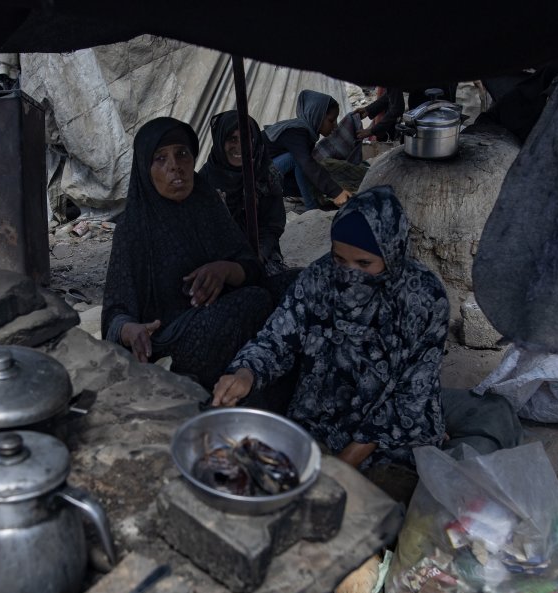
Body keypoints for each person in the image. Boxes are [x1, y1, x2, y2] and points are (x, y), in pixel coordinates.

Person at [213, 186, 521, 471]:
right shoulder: (318, 278)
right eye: (339, 259)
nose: (349, 275)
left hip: (390, 429)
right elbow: (278, 337)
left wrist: (344, 463)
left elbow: (411, 395)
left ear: (392, 255)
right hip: (321, 410)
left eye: (364, 264)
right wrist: (246, 371)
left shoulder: (423, 300)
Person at [103, 117, 275, 388]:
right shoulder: (133, 226)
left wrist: (224, 270)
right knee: (251, 304)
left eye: (182, 154)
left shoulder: (206, 203)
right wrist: (131, 331)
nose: (175, 166)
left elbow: (252, 268)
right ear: (145, 168)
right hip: (171, 339)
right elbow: (116, 312)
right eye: (160, 158)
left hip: (225, 310)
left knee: (291, 286)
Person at [199, 111, 288, 274]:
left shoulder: (265, 174)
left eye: (247, 138)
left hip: (262, 256)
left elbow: (273, 225)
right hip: (217, 261)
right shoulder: (203, 181)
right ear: (220, 141)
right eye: (232, 139)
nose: (240, 146)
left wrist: (258, 256)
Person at [264, 90, 353, 211]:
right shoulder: (297, 132)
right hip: (256, 176)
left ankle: (302, 198)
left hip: (271, 172)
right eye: (331, 121)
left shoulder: (306, 132)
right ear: (317, 116)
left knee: (306, 165)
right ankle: (312, 208)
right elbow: (305, 164)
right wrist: (336, 191)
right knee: (299, 161)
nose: (335, 126)